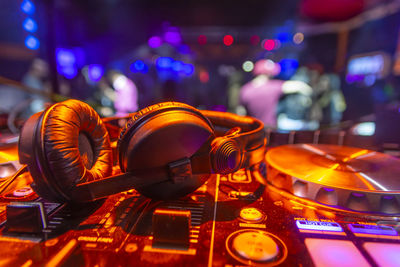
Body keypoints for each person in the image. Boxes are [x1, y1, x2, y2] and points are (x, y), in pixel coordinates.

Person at [240, 59, 312, 129]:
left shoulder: (245, 89)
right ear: (269, 74)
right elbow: (298, 86)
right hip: (270, 129)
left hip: (253, 129)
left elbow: (241, 112)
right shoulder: (273, 87)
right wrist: (309, 91)